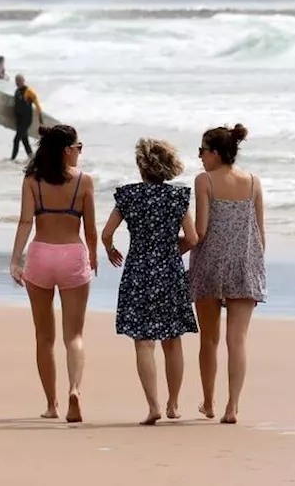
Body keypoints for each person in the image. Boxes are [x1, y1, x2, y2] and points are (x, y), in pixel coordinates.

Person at [102, 138, 199, 425]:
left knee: (143, 341)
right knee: (172, 340)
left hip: (138, 271)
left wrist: (110, 250)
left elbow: (107, 233)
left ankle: (153, 405)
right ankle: (173, 403)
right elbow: (192, 238)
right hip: (168, 271)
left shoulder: (129, 196)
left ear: (142, 166)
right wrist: (169, 251)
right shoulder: (177, 197)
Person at [8, 125, 98, 423]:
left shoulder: (32, 180)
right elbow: (90, 229)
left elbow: (25, 222)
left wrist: (15, 260)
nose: (80, 152)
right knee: (74, 335)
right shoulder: (84, 181)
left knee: (44, 336)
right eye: (78, 147)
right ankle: (75, 389)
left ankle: (51, 404)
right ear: (66, 151)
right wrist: (94, 256)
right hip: (72, 255)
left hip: (41, 256)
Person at [189, 124, 266, 424]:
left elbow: (202, 230)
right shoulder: (253, 182)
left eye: (202, 151)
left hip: (210, 263)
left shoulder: (204, 180)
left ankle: (208, 403)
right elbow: (260, 233)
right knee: (238, 340)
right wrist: (254, 262)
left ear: (216, 153)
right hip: (245, 264)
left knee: (209, 339)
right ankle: (232, 407)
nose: (200, 158)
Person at [11, 74, 41, 161]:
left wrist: (40, 117)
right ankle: (32, 157)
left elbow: (37, 103)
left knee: (16, 139)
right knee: (24, 139)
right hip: (19, 120)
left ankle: (12, 159)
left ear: (23, 81)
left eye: (19, 81)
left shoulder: (29, 91)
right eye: (16, 81)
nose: (17, 82)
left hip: (26, 119)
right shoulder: (17, 91)